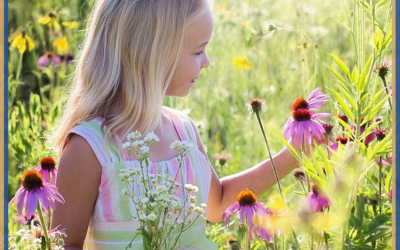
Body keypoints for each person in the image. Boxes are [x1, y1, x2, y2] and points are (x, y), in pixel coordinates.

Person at [51, 0, 302, 249]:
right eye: (197, 51)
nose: (206, 62)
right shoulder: (91, 147)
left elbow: (219, 204)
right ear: (151, 53)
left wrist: (292, 155)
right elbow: (65, 244)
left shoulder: (184, 131)